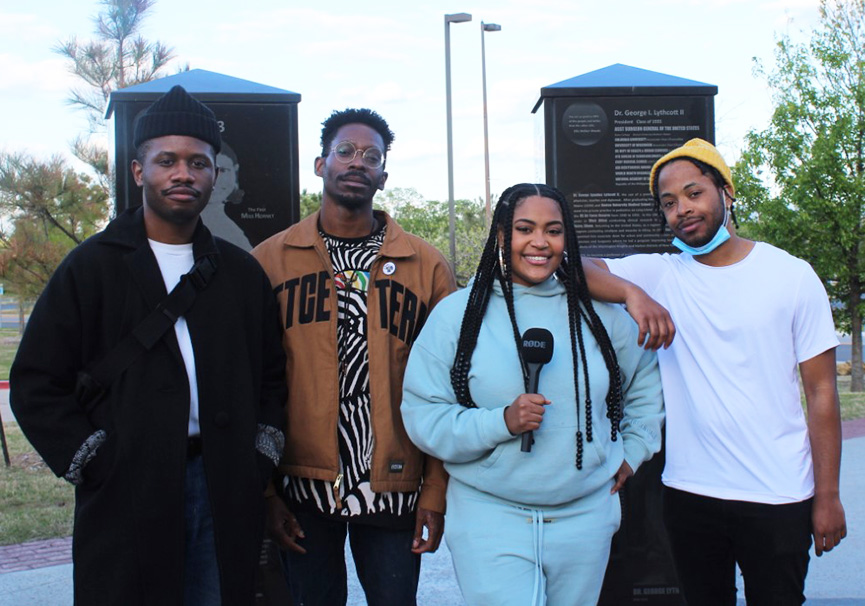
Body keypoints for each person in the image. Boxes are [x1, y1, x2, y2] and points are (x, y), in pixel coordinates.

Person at [10, 85, 287, 606]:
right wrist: (93, 459)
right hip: (126, 483)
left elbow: (272, 375)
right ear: (140, 172)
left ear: (212, 175)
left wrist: (260, 454)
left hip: (223, 482)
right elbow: (35, 382)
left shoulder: (240, 274)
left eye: (198, 163)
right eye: (167, 161)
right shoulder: (92, 268)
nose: (183, 174)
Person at [585, 138, 847, 605]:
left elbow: (822, 393)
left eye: (693, 193)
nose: (682, 209)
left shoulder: (791, 275)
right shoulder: (661, 274)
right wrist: (631, 293)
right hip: (691, 493)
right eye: (668, 203)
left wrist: (827, 496)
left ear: (726, 192)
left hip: (780, 494)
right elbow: (574, 267)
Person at [400, 183, 665, 606]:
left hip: (585, 517)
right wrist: (500, 421)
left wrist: (632, 451)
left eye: (554, 230)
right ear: (502, 236)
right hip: (491, 516)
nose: (540, 242)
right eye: (525, 228)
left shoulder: (604, 317)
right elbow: (424, 415)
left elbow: (645, 393)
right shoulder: (457, 316)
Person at [252, 108, 456, 606]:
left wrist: (434, 492)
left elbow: (451, 384)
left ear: (384, 175)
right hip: (302, 487)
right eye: (345, 152)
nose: (357, 163)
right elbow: (251, 381)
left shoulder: (425, 265)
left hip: (393, 484)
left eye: (371, 156)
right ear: (321, 164)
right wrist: (266, 494)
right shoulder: (269, 260)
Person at [200, 141, 253, 250]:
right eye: (208, 170)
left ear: (235, 171)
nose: (216, 179)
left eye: (223, 171)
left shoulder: (229, 229)